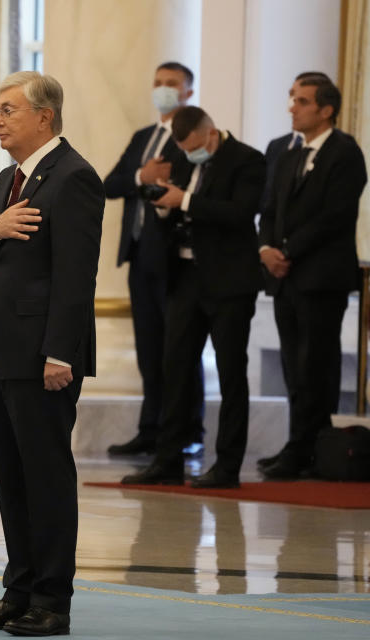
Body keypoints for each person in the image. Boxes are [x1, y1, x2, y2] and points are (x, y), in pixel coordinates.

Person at [0, 71, 103, 636]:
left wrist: (61, 352)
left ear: (45, 116)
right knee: (11, 480)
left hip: (43, 356)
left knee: (45, 476)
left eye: (8, 110)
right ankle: (17, 592)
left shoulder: (74, 178)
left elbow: (75, 276)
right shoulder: (9, 179)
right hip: (0, 352)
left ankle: (51, 600)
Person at [120, 106, 265, 488]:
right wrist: (164, 208)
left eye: (196, 147)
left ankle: (227, 466)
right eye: (185, 149)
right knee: (175, 369)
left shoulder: (248, 160)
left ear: (211, 132)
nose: (190, 154)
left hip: (229, 282)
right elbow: (173, 206)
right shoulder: (184, 159)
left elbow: (240, 213)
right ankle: (167, 461)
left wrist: (183, 201)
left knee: (232, 373)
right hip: (184, 278)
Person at [258, 77, 367, 479]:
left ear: (326, 110)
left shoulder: (345, 153)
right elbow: (268, 210)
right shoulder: (289, 155)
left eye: (302, 101)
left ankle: (311, 447)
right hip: (286, 278)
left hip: (321, 278)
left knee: (315, 366)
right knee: (293, 366)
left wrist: (288, 251)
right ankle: (298, 445)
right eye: (292, 99)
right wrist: (266, 249)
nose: (292, 107)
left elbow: (334, 216)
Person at [103, 62, 205, 458]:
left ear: (188, 93)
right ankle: (150, 429)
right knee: (148, 349)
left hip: (175, 259)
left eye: (173, 84)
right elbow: (111, 184)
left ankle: (188, 431)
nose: (164, 90)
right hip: (139, 256)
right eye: (159, 83)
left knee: (180, 348)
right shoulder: (144, 136)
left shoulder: (191, 137)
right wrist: (140, 177)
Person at [259, 71, 331, 215]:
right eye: (292, 95)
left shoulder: (337, 149)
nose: (293, 105)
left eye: (302, 100)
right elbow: (266, 197)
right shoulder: (276, 146)